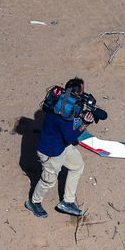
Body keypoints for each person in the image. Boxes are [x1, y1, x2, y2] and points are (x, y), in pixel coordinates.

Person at [25, 77, 99, 218]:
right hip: (50, 152)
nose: (84, 94)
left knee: (77, 166)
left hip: (61, 146)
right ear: (76, 93)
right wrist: (84, 124)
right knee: (48, 181)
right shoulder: (64, 113)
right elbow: (70, 137)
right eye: (82, 91)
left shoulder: (61, 103)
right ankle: (34, 202)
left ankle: (67, 202)